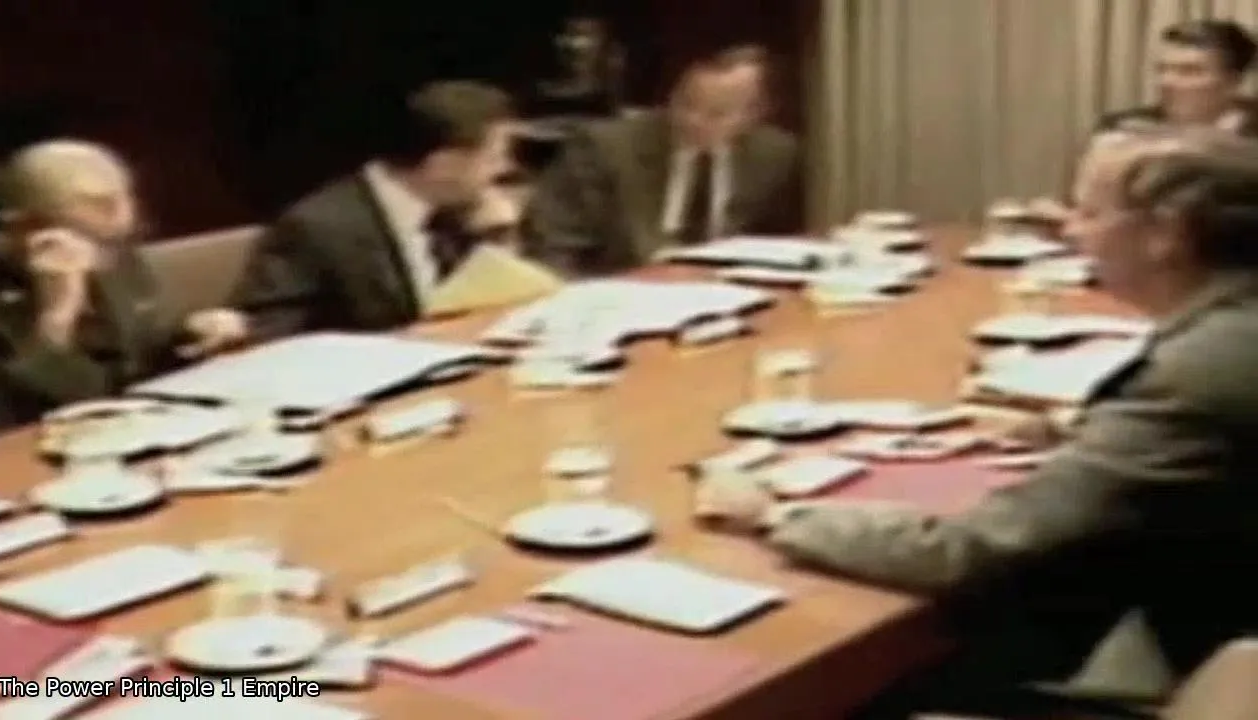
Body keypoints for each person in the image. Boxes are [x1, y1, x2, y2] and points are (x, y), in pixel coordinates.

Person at [697, 128, 1258, 717]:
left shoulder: (1199, 373)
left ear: (1167, 235)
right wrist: (1071, 428)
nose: (1070, 230)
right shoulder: (1232, 328)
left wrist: (773, 514)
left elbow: (972, 552)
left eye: (1089, 212)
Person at [0, 140, 247, 427]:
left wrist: (188, 338)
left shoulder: (117, 255)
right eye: (95, 242)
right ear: (25, 228)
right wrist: (57, 315)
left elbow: (133, 364)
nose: (107, 259)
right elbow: (7, 416)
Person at [230, 80, 520, 339]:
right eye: (494, 158)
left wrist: (497, 240)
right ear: (443, 165)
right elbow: (265, 331)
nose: (505, 169)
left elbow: (476, 306)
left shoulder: (455, 211)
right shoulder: (317, 228)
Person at [524, 44, 798, 276]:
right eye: (686, 103)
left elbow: (775, 246)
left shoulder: (773, 155)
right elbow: (553, 244)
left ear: (755, 115)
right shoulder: (606, 147)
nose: (693, 120)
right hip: (626, 292)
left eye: (717, 114)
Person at [1030, 19, 1258, 221]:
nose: (1167, 81)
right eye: (1162, 69)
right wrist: (1056, 216)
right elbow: (1079, 205)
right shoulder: (1120, 128)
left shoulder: (1250, 135)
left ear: (1233, 81)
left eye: (1189, 71)